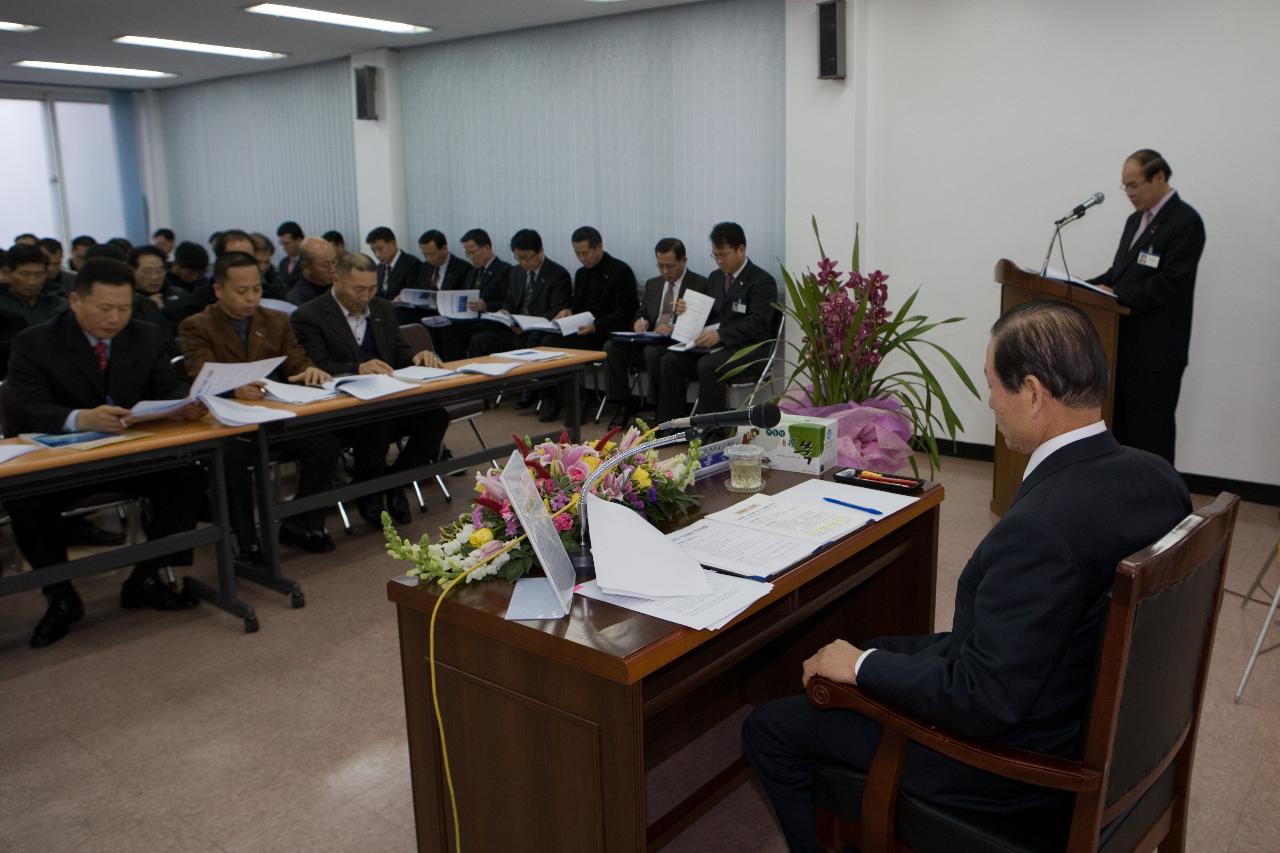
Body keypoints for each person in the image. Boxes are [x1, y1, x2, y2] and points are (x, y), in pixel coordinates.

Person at [742, 300, 1192, 852]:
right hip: (1096, 716)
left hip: (1017, 770)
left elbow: (982, 699)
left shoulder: (1038, 530)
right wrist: (870, 658)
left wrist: (862, 668)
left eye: (992, 385)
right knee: (871, 649)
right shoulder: (1158, 477)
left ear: (1031, 392)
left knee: (770, 729)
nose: (989, 402)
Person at [4, 258, 209, 648]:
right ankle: (60, 596)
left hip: (129, 452)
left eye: (124, 308)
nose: (116, 318)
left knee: (188, 477)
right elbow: (27, 406)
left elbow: (165, 387)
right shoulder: (35, 342)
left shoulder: (146, 336)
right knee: (26, 499)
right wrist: (81, 418)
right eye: (105, 308)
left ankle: (146, 577)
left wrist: (181, 405)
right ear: (75, 301)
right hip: (61, 461)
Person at [180, 251, 341, 557]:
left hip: (271, 416)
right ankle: (246, 541)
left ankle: (301, 523)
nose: (251, 298)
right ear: (219, 290)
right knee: (232, 462)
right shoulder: (197, 326)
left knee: (325, 446)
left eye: (256, 289)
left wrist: (308, 371)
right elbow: (199, 376)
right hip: (225, 425)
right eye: (242, 291)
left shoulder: (276, 320)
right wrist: (233, 389)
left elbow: (296, 362)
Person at [291, 252, 451, 528]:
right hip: (347, 408)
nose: (365, 296)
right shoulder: (309, 316)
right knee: (376, 424)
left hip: (387, 399)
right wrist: (357, 367)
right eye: (358, 289)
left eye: (372, 288)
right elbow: (319, 366)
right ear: (336, 279)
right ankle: (369, 491)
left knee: (436, 416)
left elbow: (398, 352)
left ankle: (395, 481)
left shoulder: (383, 309)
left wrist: (417, 356)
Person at [1088, 149, 1205, 466]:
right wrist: (1080, 285)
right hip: (1121, 347)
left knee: (1151, 439)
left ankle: (1160, 509)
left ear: (1159, 177)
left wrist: (1115, 293)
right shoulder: (1134, 221)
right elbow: (1118, 274)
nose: (1129, 193)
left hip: (1157, 355)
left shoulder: (1186, 222)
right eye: (1124, 186)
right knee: (1121, 436)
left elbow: (1170, 284)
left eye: (1134, 185)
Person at [655, 222, 778, 426]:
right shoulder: (715, 278)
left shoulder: (761, 281)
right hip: (717, 346)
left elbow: (758, 323)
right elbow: (709, 315)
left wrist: (721, 335)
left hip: (749, 350)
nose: (719, 261)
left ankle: (709, 429)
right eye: (715, 255)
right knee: (670, 360)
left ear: (741, 249)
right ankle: (670, 425)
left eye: (724, 254)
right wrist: (686, 312)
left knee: (708, 365)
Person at [530, 226, 638, 423]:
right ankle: (558, 398)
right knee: (546, 342)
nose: (581, 258)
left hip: (606, 332)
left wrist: (597, 327)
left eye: (585, 253)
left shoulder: (620, 271)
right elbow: (578, 306)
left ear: (599, 247)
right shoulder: (581, 274)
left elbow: (625, 313)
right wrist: (568, 312)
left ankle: (582, 404)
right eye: (577, 253)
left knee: (564, 347)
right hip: (582, 331)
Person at [604, 237, 708, 426]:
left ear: (683, 261)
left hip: (675, 344)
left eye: (670, 266)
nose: (665, 271)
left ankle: (657, 408)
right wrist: (639, 322)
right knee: (612, 348)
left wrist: (675, 327)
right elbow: (641, 312)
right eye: (660, 266)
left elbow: (699, 322)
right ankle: (622, 403)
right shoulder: (654, 284)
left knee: (653, 354)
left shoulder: (699, 284)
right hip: (649, 339)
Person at [466, 228, 571, 360]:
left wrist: (528, 325)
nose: (524, 263)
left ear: (541, 251)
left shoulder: (558, 274)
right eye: (519, 258)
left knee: (531, 339)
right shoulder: (516, 272)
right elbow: (510, 300)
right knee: (480, 340)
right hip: (515, 329)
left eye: (528, 258)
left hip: (538, 330)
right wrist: (505, 311)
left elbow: (557, 309)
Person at [436, 228, 512, 361]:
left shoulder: (505, 270)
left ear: (487, 247)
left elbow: (509, 302)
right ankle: (455, 370)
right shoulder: (472, 272)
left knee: (474, 338)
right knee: (446, 330)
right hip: (472, 319)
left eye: (473, 252)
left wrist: (487, 306)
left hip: (492, 323)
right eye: (467, 254)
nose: (471, 257)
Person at [366, 226, 422, 301]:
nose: (377, 254)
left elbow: (413, 296)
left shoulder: (413, 264)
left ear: (393, 243)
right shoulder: (379, 267)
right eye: (373, 250)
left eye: (380, 249)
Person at [285, 236, 339, 306]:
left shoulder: (340, 285)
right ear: (306, 267)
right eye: (325, 265)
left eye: (334, 262)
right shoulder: (296, 300)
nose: (333, 269)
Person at [276, 220, 305, 287]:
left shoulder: (309, 261)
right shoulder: (283, 263)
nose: (284, 247)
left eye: (287, 243)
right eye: (282, 243)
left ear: (299, 240)